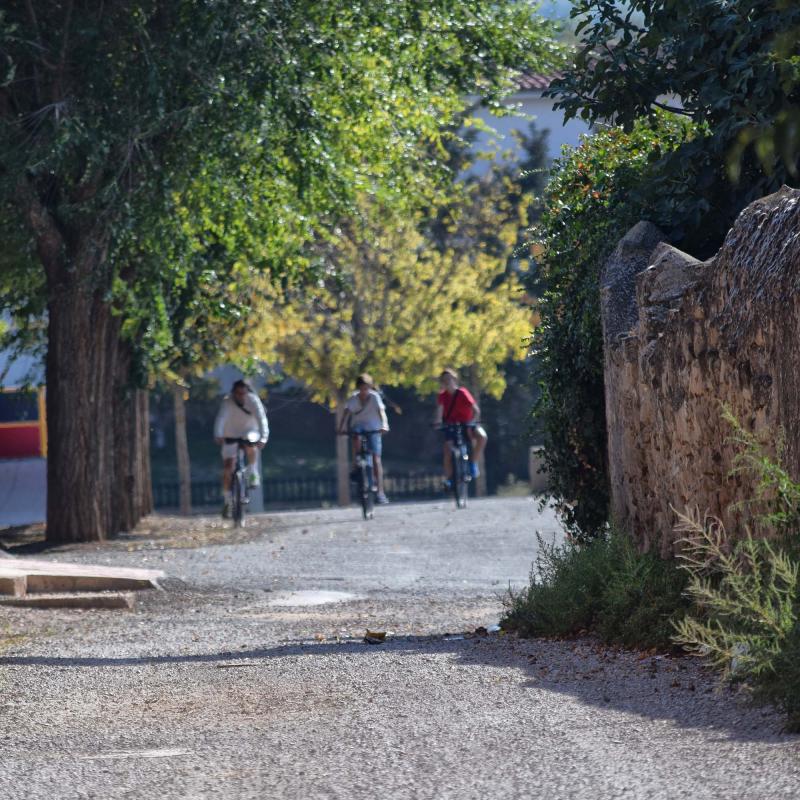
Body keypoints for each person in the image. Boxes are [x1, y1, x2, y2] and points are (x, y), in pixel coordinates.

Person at [214, 379, 269, 518]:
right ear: (233, 393)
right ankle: (228, 500)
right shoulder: (227, 402)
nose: (241, 396)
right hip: (230, 434)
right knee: (228, 468)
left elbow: (262, 419)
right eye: (238, 393)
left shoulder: (253, 401)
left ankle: (252, 472)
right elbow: (221, 419)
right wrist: (218, 434)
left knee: (250, 445)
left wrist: (263, 438)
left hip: (249, 431)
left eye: (243, 393)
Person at [338, 373, 390, 504]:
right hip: (359, 426)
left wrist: (384, 425)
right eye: (361, 388)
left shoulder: (375, 397)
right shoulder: (354, 399)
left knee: (376, 459)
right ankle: (357, 465)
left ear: (370, 387)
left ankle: (380, 491)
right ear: (358, 388)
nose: (364, 391)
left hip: (374, 428)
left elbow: (381, 412)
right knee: (355, 436)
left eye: (366, 388)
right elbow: (346, 413)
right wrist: (341, 428)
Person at [434, 368, 487, 485]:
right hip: (451, 425)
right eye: (444, 380)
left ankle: (473, 462)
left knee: (482, 436)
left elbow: (476, 411)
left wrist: (473, 423)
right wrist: (438, 422)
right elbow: (440, 410)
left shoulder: (462, 393)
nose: (447, 382)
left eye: (449, 378)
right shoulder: (442, 396)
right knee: (448, 450)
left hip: (467, 423)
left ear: (454, 379)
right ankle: (449, 479)